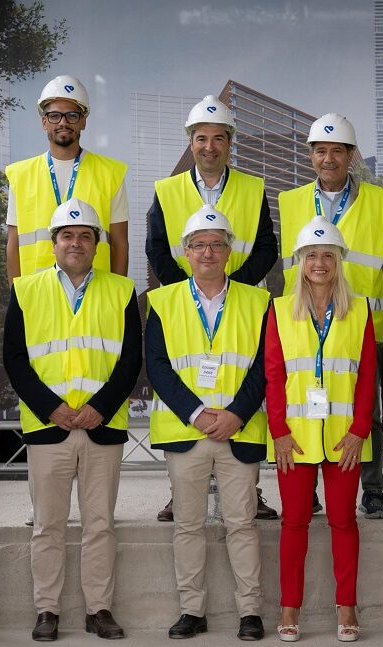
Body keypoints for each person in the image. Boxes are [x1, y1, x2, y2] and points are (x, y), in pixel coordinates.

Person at [3, 198, 142, 642]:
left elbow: (130, 360)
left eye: (86, 235)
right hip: (49, 427)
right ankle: (47, 610)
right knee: (48, 525)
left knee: (100, 523)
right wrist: (52, 408)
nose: (76, 242)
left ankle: (99, 609)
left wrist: (100, 406)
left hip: (103, 425)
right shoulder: (26, 289)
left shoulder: (121, 290)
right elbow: (16, 359)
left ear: (98, 245)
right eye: (67, 235)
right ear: (53, 243)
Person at [146, 94, 279, 522]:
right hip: (186, 309)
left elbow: (265, 249)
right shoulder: (166, 191)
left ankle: (248, 491)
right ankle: (180, 495)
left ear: (229, 143)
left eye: (218, 138)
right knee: (191, 397)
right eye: (201, 138)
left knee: (237, 395)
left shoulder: (252, 187)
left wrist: (227, 290)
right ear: (191, 141)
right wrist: (190, 293)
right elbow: (155, 250)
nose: (209, 146)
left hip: (235, 308)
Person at [146, 206, 269, 641]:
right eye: (199, 244)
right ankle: (191, 610)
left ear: (230, 251)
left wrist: (236, 414)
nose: (208, 252)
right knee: (188, 525)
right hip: (186, 433)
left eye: (217, 243)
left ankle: (250, 613)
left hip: (241, 430)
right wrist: (198, 414)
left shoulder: (259, 301)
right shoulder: (162, 301)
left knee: (242, 524)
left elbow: (265, 367)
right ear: (184, 252)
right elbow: (157, 366)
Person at [278, 113, 383, 519]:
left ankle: (374, 489)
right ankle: (308, 488)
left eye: (337, 151)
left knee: (368, 408)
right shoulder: (290, 202)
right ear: (311, 155)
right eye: (320, 150)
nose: (328, 158)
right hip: (303, 322)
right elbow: (285, 269)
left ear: (351, 156)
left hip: (364, 324)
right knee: (306, 401)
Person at [266, 217, 376, 642]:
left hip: (344, 436)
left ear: (339, 261)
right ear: (298, 261)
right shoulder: (277, 310)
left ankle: (346, 605)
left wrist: (360, 430)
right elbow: (274, 375)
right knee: (294, 522)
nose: (319, 262)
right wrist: (278, 432)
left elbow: (367, 375)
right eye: (311, 254)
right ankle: (289, 605)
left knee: (344, 520)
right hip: (294, 437)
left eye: (327, 254)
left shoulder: (360, 309)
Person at [6, 75, 131, 281]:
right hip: (37, 296)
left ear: (83, 121)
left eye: (72, 115)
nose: (63, 122)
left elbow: (120, 243)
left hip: (95, 293)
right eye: (54, 116)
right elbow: (13, 243)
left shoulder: (110, 173)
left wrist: (118, 296)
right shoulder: (21, 175)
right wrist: (16, 300)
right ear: (44, 121)